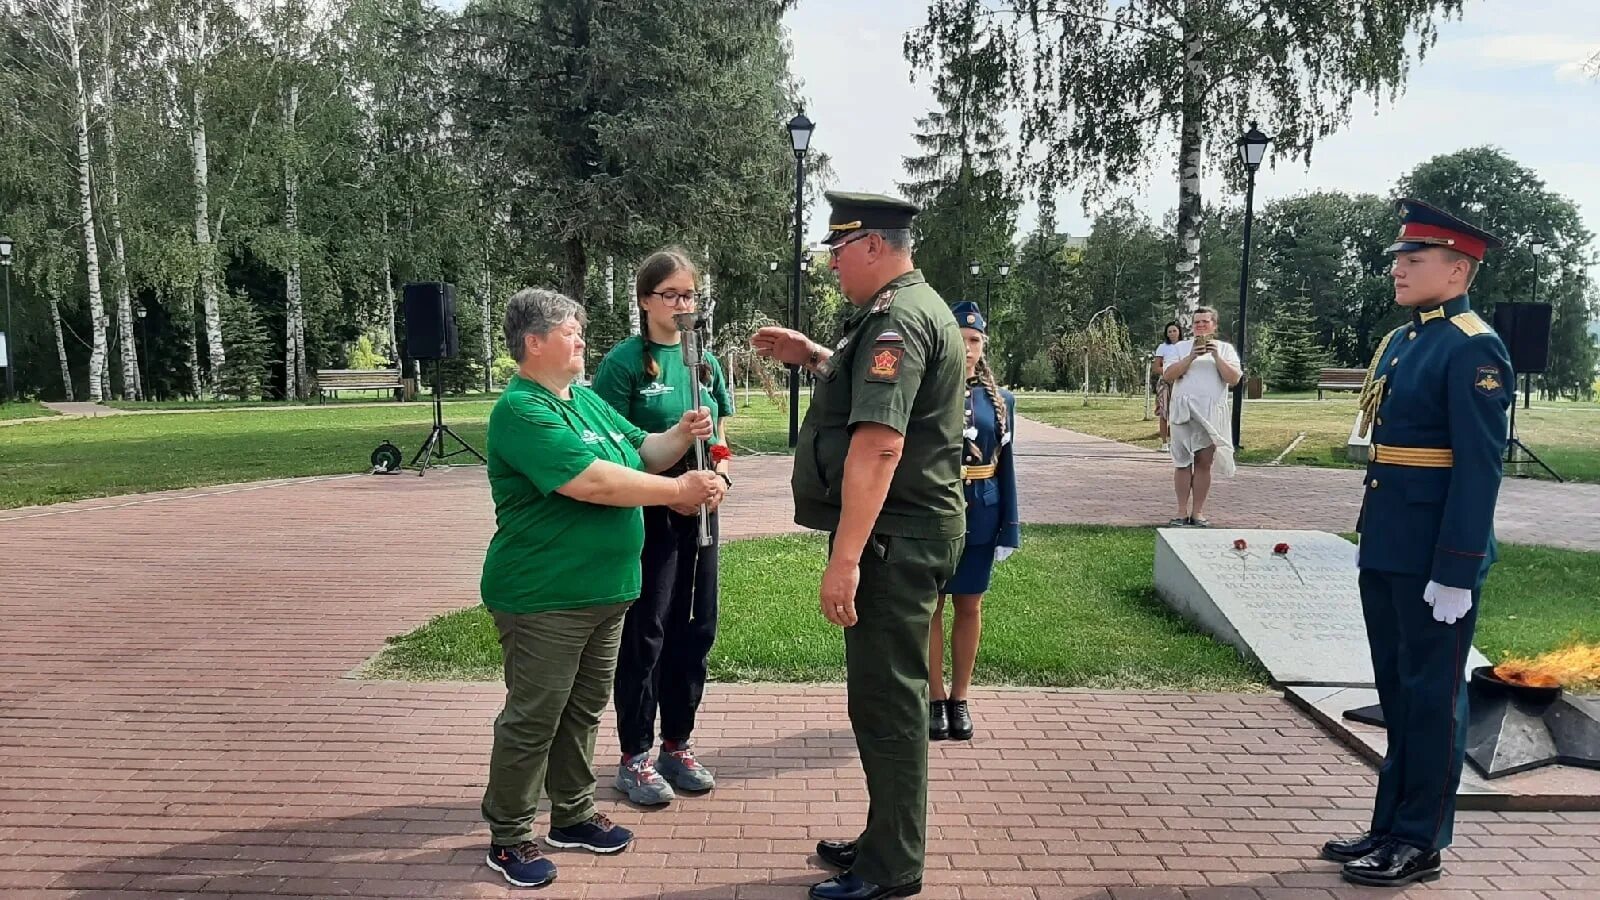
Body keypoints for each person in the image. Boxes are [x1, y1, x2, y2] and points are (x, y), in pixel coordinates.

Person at [752, 191, 965, 900]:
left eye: (838, 251)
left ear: (873, 246)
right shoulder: (902, 310)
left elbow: (879, 445)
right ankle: (884, 839)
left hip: (895, 539)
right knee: (882, 697)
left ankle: (893, 866)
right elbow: (868, 399)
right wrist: (813, 355)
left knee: (889, 702)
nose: (832, 265)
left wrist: (843, 562)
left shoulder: (897, 320)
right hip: (906, 531)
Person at [479, 288, 725, 889]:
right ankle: (510, 836)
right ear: (533, 343)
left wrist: (681, 432)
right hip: (545, 596)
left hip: (607, 590)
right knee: (535, 717)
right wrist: (679, 493)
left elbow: (645, 451)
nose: (581, 340)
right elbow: (591, 482)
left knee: (584, 709)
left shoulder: (585, 401)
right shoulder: (521, 411)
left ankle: (572, 814)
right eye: (569, 331)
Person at [1321, 199, 1511, 888]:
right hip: (1391, 546)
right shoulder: (1407, 341)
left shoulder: (1472, 345)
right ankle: (1389, 823)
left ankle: (1420, 841)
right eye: (1400, 258)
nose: (1398, 269)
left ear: (1458, 270)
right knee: (1399, 694)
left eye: (1415, 259)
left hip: (1436, 556)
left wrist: (1457, 568)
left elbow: (1479, 465)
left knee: (1433, 697)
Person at [591, 248, 736, 806]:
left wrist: (719, 475)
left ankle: (677, 743)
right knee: (647, 631)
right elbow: (609, 443)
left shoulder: (706, 363)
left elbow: (718, 433)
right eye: (670, 295)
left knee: (696, 628)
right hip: (648, 509)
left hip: (702, 503)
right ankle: (635, 755)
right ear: (646, 301)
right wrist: (671, 489)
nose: (681, 305)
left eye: (689, 296)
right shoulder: (627, 361)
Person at [927, 300, 1018, 743]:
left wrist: (1010, 525)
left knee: (970, 605)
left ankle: (960, 697)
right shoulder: (930, 391)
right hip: (936, 512)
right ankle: (934, 696)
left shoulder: (1002, 401)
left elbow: (1008, 467)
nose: (966, 348)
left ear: (984, 346)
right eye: (959, 340)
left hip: (982, 509)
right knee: (931, 607)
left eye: (974, 341)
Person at [1159, 307, 1241, 527]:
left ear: (1214, 325)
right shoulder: (1180, 348)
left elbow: (1233, 379)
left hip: (1210, 415)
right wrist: (1191, 356)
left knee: (1204, 463)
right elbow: (1168, 375)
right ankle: (1180, 512)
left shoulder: (1225, 349)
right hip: (1183, 413)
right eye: (1197, 323)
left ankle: (1198, 512)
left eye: (1205, 322)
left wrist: (1215, 356)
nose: (1201, 326)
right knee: (1182, 462)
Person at [1151, 321, 1185, 451]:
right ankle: (1164, 443)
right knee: (1164, 412)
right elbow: (1156, 366)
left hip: (1181, 381)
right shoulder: (1163, 347)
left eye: (1174, 331)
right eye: (1169, 331)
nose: (1172, 333)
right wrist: (1168, 374)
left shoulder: (1184, 346)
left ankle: (1177, 442)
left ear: (1179, 332)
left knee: (1179, 412)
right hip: (1165, 381)